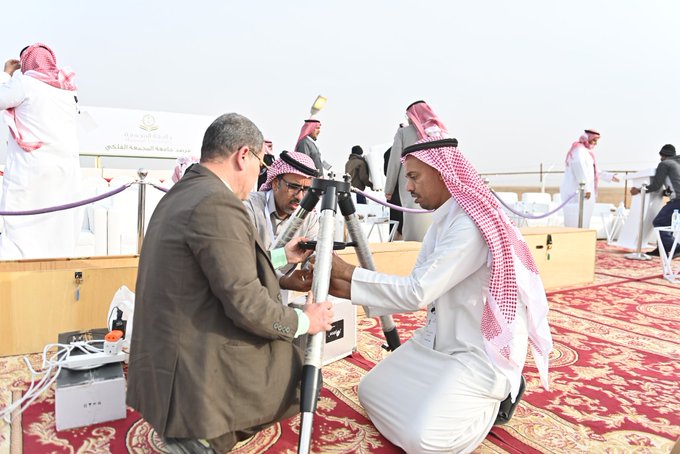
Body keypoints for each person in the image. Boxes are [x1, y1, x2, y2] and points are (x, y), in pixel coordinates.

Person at [127, 113, 334, 454]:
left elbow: (224, 263)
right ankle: (205, 435)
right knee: (299, 362)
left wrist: (283, 256)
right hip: (187, 369)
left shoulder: (186, 192)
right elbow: (247, 304)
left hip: (164, 357)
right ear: (243, 155)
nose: (259, 174)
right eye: (260, 163)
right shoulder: (218, 204)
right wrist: (306, 321)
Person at [329, 136, 553, 453]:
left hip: (476, 354)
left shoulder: (470, 226)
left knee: (423, 440)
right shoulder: (442, 222)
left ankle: (493, 405)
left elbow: (416, 293)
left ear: (442, 173)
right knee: (369, 390)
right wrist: (338, 281)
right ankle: (446, 401)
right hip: (435, 341)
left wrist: (345, 273)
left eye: (414, 176)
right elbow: (415, 285)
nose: (408, 187)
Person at [0, 43, 83, 259]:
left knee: (22, 224)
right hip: (64, 171)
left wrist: (7, 74)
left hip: (32, 170)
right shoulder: (68, 89)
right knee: (58, 224)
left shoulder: (26, 83)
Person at [244, 150, 319, 299]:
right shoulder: (249, 208)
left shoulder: (309, 218)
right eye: (293, 187)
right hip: (246, 296)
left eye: (307, 190)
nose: (300, 197)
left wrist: (315, 265)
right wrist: (284, 277)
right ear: (275, 183)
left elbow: (312, 257)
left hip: (280, 302)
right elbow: (241, 265)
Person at [384, 100, 450, 241]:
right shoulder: (438, 132)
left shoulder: (403, 132)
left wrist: (388, 190)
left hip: (410, 185)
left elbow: (394, 162)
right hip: (437, 187)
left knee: (413, 222)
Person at [560, 129, 619, 228]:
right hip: (577, 193)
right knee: (575, 221)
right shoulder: (578, 150)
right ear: (587, 138)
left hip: (585, 193)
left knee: (584, 221)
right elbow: (579, 168)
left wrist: (610, 176)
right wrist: (586, 189)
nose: (596, 143)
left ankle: (583, 240)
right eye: (594, 140)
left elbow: (595, 171)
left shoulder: (586, 153)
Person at [630, 144, 680, 258]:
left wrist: (639, 190)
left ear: (662, 155)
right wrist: (666, 193)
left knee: (660, 222)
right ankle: (662, 250)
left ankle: (675, 248)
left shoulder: (664, 164)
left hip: (678, 200)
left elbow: (656, 186)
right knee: (667, 223)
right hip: (677, 199)